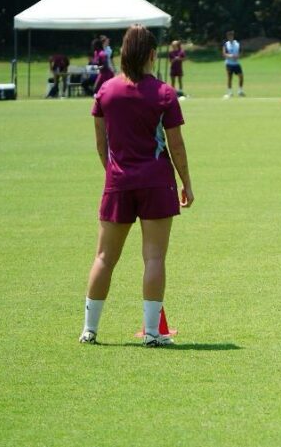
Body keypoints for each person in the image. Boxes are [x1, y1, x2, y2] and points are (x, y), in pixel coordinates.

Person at [79, 24, 193, 346]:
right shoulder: (164, 93)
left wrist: (113, 174)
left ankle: (90, 330)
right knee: (154, 258)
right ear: (153, 55)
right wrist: (187, 183)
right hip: (157, 182)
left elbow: (101, 145)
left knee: (104, 257)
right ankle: (153, 334)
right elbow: (177, 146)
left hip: (118, 182)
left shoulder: (105, 92)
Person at [222, 30, 245, 98]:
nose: (230, 37)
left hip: (236, 63)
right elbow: (224, 54)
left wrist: (238, 56)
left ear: (233, 36)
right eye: (229, 36)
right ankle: (230, 92)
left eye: (231, 36)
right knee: (229, 78)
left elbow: (241, 52)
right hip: (229, 64)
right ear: (227, 37)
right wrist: (231, 56)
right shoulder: (226, 44)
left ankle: (240, 91)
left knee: (241, 76)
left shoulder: (237, 43)